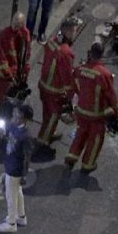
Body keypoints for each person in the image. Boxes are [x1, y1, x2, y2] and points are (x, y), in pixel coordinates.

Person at [65, 42, 118, 174]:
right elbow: (111, 96)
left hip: (81, 110)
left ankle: (71, 156)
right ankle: (87, 164)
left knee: (80, 133)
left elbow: (73, 87)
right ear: (101, 55)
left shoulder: (79, 70)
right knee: (95, 139)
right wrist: (116, 111)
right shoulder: (105, 74)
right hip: (96, 115)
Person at [37, 16, 78, 151]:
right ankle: (43, 140)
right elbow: (67, 77)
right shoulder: (67, 53)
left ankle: (49, 132)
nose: (75, 33)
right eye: (74, 31)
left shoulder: (51, 41)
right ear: (69, 32)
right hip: (54, 91)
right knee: (53, 116)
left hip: (43, 85)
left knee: (46, 113)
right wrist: (71, 94)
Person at [0, 104, 33, 233]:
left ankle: (11, 223)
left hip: (15, 169)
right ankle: (21, 216)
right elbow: (6, 138)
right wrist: (2, 135)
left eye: (17, 113)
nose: (15, 115)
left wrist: (24, 174)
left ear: (23, 117)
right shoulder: (13, 127)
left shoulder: (26, 136)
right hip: (10, 164)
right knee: (17, 193)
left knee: (10, 195)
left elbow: (26, 157)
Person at [0, 13, 32, 105]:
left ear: (22, 24)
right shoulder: (4, 35)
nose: (15, 24)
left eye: (18, 23)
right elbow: (2, 58)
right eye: (14, 21)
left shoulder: (24, 33)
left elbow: (26, 53)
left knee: (17, 100)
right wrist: (9, 74)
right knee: (4, 99)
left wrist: (25, 71)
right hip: (7, 76)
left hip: (19, 74)